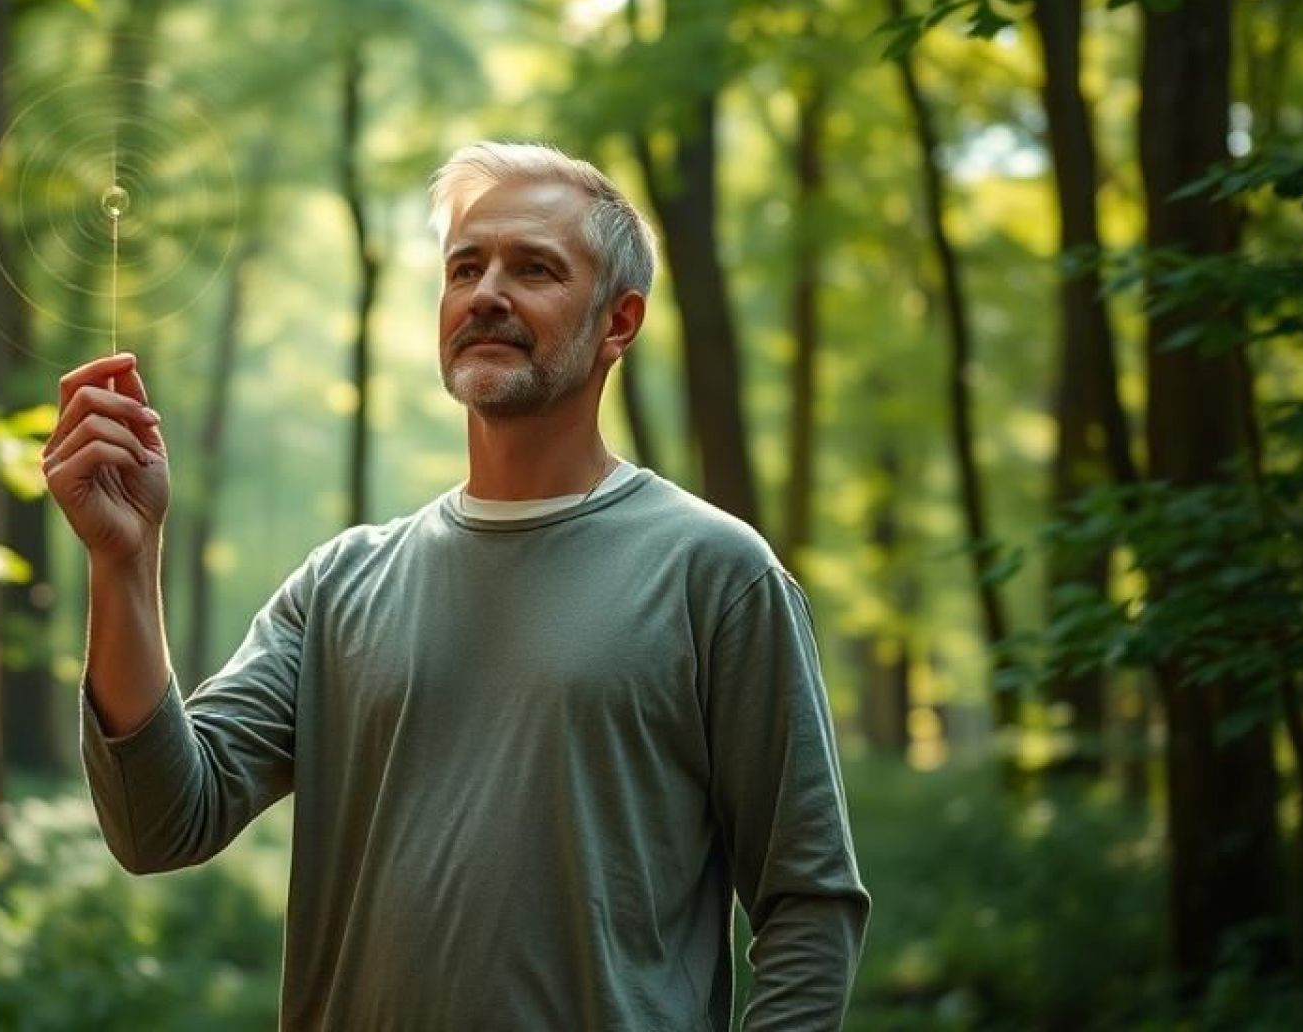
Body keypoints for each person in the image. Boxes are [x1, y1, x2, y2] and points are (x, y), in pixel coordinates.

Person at [44, 141, 869, 1030]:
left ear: (617, 322)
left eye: (535, 269)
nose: (486, 295)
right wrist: (123, 561)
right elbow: (162, 823)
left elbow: (807, 902)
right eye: (464, 268)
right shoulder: (340, 586)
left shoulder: (715, 573)